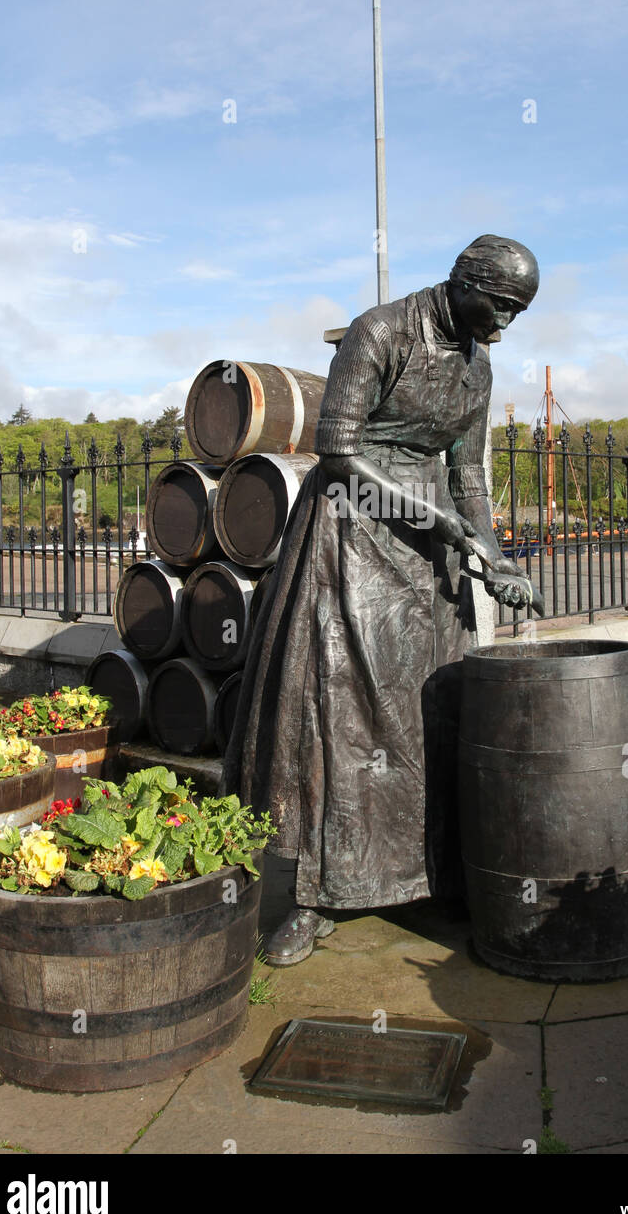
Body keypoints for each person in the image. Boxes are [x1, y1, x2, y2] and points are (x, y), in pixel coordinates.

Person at [221, 235, 541, 965]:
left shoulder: (477, 366)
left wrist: (489, 551)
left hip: (431, 545)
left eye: (517, 313)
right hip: (351, 528)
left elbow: (467, 475)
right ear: (463, 282)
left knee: (433, 707)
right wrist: (444, 523)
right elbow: (338, 452)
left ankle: (430, 873)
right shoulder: (380, 332)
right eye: (499, 306)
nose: (504, 325)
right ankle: (316, 895)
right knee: (339, 713)